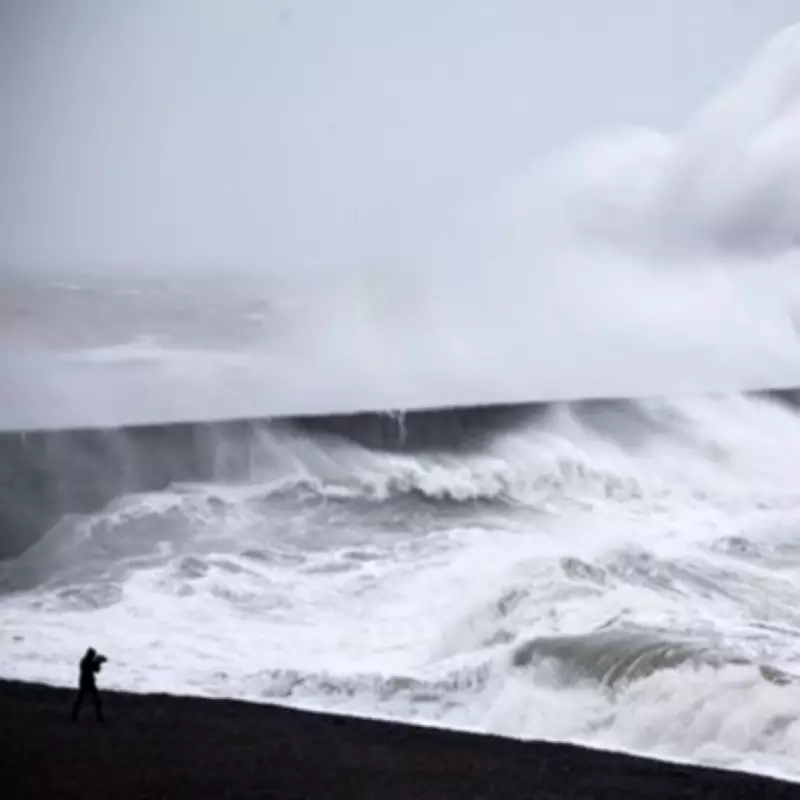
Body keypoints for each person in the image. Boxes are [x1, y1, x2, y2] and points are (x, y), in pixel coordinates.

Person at [71, 647, 107, 722]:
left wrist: (97, 662)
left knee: (83, 700)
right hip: (87, 683)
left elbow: (96, 670)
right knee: (92, 700)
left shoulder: (85, 661)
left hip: (86, 682)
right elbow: (94, 669)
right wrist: (97, 662)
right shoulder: (85, 661)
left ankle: (74, 716)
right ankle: (99, 717)